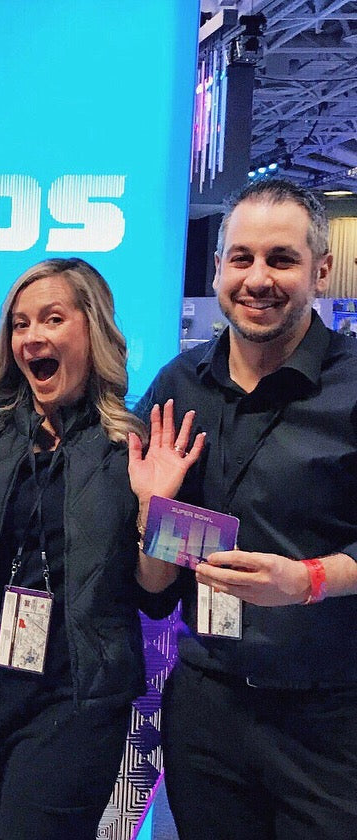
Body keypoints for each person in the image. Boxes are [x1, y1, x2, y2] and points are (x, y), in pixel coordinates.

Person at [0, 257, 201, 840]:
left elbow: (156, 594)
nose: (32, 336)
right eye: (19, 324)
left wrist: (152, 505)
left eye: (52, 318)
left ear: (93, 330)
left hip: (78, 698)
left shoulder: (130, 445)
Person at [138, 177, 357, 840]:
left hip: (330, 714)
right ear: (218, 268)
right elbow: (153, 586)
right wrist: (152, 513)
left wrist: (308, 580)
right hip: (207, 702)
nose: (258, 278)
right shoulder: (177, 387)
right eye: (242, 258)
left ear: (320, 270)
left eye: (282, 260)